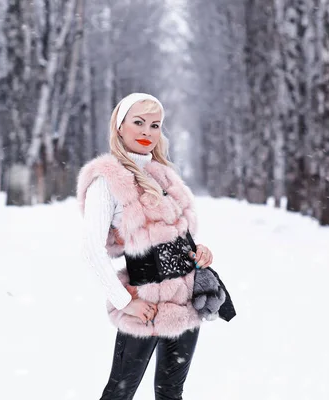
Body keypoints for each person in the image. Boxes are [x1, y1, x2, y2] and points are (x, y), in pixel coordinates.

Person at [76, 93, 214, 400]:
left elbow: (178, 236)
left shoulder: (165, 175)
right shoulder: (108, 179)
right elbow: (91, 251)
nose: (146, 132)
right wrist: (125, 302)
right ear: (119, 126)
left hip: (185, 301)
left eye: (154, 125)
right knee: (120, 392)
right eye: (138, 122)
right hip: (145, 304)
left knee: (171, 392)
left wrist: (199, 251)